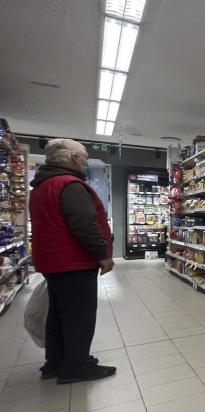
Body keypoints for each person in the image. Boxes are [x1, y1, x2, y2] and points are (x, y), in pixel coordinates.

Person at [29, 139, 116, 384]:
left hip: (53, 261)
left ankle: (56, 362)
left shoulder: (42, 185)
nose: (87, 162)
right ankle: (77, 365)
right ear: (74, 158)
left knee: (58, 314)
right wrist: (102, 253)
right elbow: (84, 224)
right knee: (80, 316)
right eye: (85, 156)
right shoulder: (70, 185)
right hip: (73, 261)